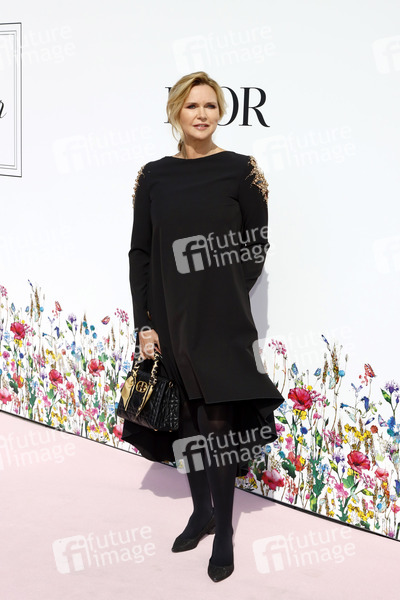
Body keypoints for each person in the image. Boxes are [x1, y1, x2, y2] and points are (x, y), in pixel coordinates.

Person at [121, 71, 285, 582]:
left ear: (221, 112)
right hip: (169, 317)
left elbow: (255, 244)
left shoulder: (241, 170)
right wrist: (144, 322)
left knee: (217, 423)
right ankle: (201, 514)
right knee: (187, 422)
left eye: (210, 105)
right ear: (176, 111)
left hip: (221, 319)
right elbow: (141, 253)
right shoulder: (154, 175)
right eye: (192, 105)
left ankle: (225, 533)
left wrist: (225, 293)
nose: (202, 114)